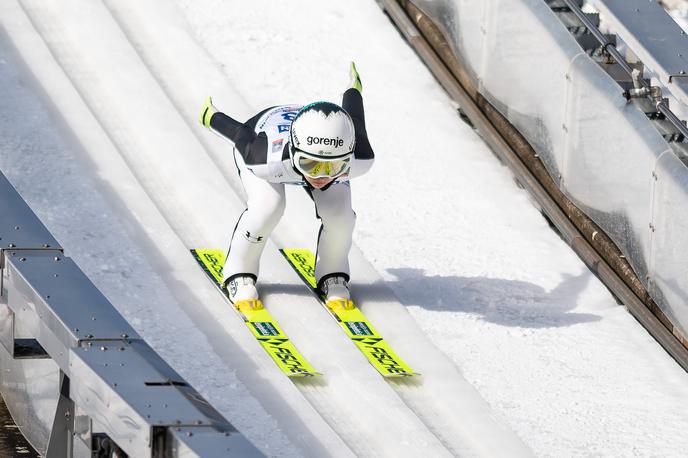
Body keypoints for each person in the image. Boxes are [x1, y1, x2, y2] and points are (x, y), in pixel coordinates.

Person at [199, 62, 374, 308]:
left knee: (340, 215)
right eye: (310, 164)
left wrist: (353, 87)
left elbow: (354, 115)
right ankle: (239, 270)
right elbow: (238, 133)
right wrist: (210, 115)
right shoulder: (264, 156)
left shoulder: (360, 157)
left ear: (347, 157)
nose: (320, 176)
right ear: (293, 152)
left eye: (332, 167)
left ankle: (332, 272)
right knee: (268, 207)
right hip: (268, 140)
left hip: (296, 153)